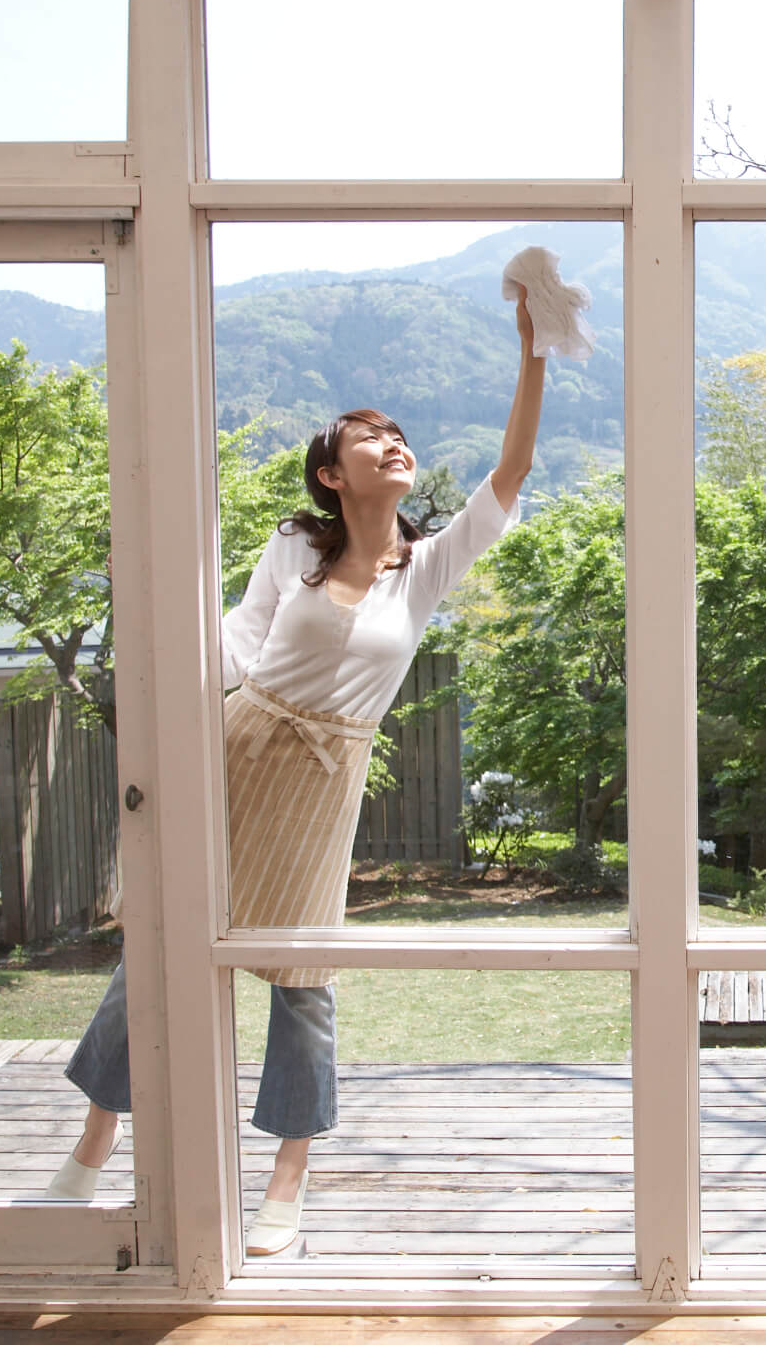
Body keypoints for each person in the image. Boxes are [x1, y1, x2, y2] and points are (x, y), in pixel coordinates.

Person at [47, 286, 547, 1258]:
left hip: (324, 783)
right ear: (331, 471)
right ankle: (96, 1140)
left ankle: (287, 1176)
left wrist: (529, 349)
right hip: (238, 747)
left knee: (303, 976)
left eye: (399, 435)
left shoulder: (430, 565)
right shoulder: (294, 545)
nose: (393, 443)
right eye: (371, 436)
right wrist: (165, 731)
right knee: (156, 945)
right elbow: (236, 640)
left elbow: (514, 469)